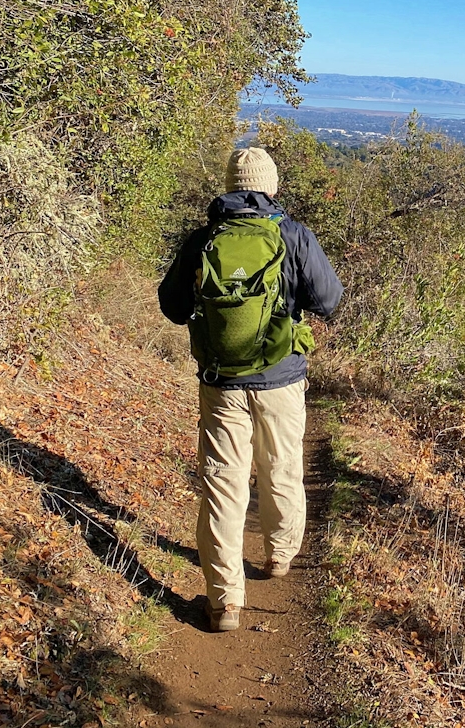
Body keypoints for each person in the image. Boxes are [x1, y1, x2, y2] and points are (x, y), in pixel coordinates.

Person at [159, 147, 342, 632]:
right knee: (281, 467)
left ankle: (224, 603)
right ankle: (279, 556)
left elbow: (172, 307)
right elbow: (329, 299)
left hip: (221, 382)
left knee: (223, 484)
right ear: (271, 187)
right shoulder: (294, 236)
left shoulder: (204, 240)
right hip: (282, 377)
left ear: (229, 185)